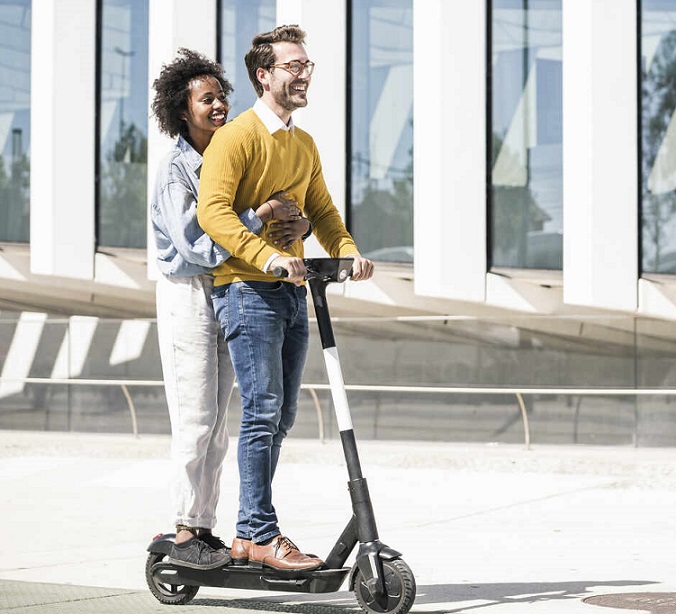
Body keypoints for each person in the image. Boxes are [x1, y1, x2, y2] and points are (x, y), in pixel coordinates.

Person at [197, 25, 374, 572]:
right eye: (292, 66)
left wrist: (347, 252)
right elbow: (214, 212)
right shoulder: (238, 137)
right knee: (262, 411)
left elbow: (321, 211)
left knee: (283, 414)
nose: (303, 75)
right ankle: (257, 531)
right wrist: (268, 256)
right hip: (247, 289)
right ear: (264, 75)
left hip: (293, 293)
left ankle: (254, 530)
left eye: (307, 66)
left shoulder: (303, 143)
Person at [150, 48, 311, 570]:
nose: (219, 106)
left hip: (227, 285)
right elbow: (198, 240)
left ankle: (206, 527)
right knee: (197, 418)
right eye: (206, 100)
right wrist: (260, 215)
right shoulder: (178, 170)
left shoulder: (230, 151)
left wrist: (297, 225)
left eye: (221, 96)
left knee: (222, 422)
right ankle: (184, 528)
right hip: (188, 291)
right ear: (182, 110)